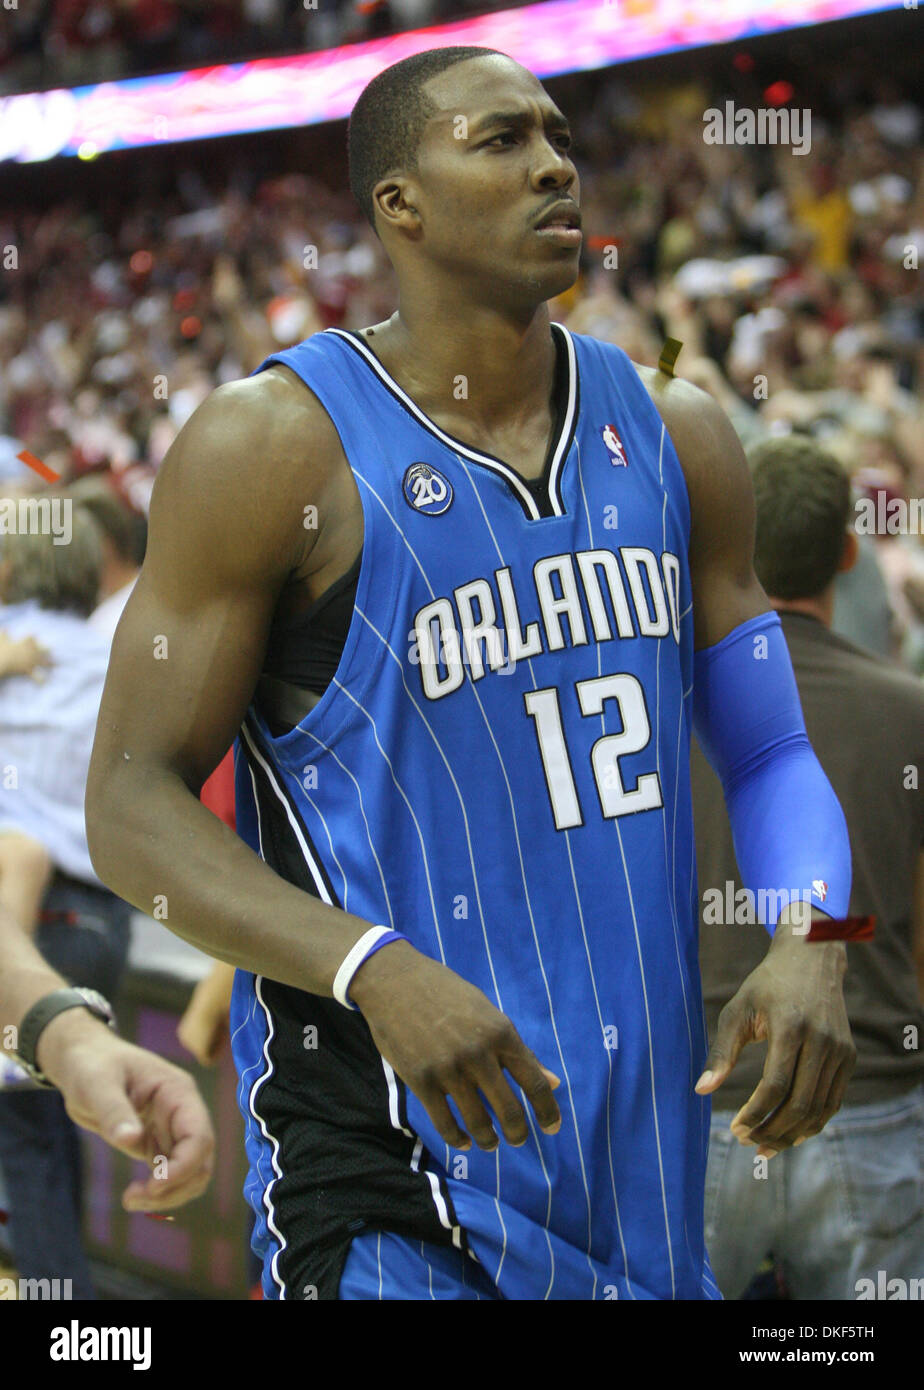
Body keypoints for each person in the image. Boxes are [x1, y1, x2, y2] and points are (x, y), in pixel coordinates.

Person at [86, 46, 856, 1302]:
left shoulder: (678, 429)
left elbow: (769, 750)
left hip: (646, 1176)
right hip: (392, 1181)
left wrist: (813, 931)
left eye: (557, 135)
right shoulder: (272, 446)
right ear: (401, 204)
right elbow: (129, 801)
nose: (556, 162)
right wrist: (365, 963)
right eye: (501, 140)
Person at [693, 435, 924, 1300]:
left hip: (705, 1104)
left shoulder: (663, 711)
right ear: (850, 553)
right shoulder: (911, 711)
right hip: (871, 1101)